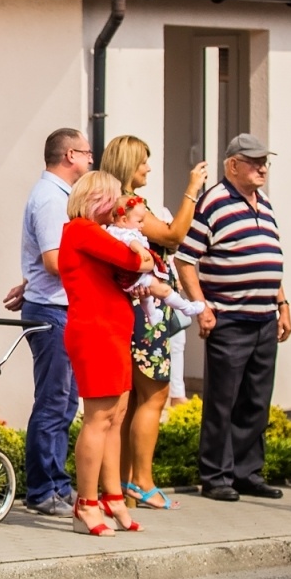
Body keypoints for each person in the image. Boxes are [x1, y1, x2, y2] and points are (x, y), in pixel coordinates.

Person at [174, 134, 291, 503]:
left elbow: (270, 258)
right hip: (230, 318)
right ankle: (216, 475)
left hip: (264, 318)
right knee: (223, 400)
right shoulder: (213, 203)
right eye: (254, 162)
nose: (262, 168)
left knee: (256, 400)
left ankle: (247, 471)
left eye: (264, 162)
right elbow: (185, 259)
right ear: (232, 165)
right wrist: (202, 306)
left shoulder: (265, 204)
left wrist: (282, 303)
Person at [98, 135, 209, 511]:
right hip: (145, 316)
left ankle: (122, 484)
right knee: (155, 395)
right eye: (144, 162)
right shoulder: (132, 206)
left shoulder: (107, 204)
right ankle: (141, 482)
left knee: (128, 403)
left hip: (125, 310)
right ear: (129, 165)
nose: (148, 168)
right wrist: (192, 190)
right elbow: (175, 236)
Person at [0, 127, 91, 517]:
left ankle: (56, 482)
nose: (91, 159)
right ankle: (41, 490)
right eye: (86, 152)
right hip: (53, 310)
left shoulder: (58, 196)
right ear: (70, 155)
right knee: (54, 401)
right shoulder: (53, 201)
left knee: (65, 400)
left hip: (55, 306)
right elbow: (55, 261)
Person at [59, 171, 157, 534]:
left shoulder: (94, 230)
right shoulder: (81, 229)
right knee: (99, 418)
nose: (119, 205)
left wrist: (145, 259)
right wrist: (143, 258)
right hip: (95, 332)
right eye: (114, 197)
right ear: (97, 197)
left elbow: (145, 261)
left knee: (116, 415)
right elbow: (135, 261)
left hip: (113, 330)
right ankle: (86, 503)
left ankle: (112, 496)